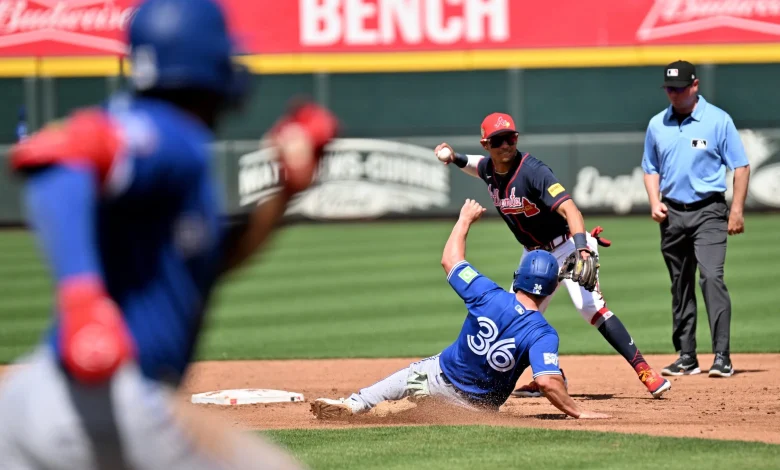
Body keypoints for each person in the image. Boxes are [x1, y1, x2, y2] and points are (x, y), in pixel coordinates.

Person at [0, 0, 339, 468]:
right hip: (109, 403)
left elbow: (211, 260)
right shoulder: (166, 133)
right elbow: (56, 164)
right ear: (203, 65)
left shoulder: (173, 144)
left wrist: (284, 193)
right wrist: (81, 301)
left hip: (40, 400)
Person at [434, 114, 671, 400]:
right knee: (514, 318)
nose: (506, 145)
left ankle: (645, 371)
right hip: (534, 256)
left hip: (567, 246)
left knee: (589, 308)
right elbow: (476, 166)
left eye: (511, 138)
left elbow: (571, 210)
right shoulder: (489, 169)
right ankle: (543, 378)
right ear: (486, 145)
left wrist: (583, 248)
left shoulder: (533, 171)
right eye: (498, 141)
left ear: (517, 139)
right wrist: (453, 157)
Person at [311, 199, 610, 420]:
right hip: (476, 409)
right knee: (425, 407)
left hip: (435, 379)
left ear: (519, 277)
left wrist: (464, 219)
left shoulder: (487, 294)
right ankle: (408, 412)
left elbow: (450, 259)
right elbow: (546, 381)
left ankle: (356, 404)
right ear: (548, 287)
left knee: (410, 377)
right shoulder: (543, 333)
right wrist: (578, 411)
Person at [642, 60, 750, 378]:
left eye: (679, 88)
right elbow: (650, 167)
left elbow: (740, 166)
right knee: (680, 284)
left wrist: (737, 210)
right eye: (669, 89)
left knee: (712, 277)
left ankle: (722, 356)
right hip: (672, 213)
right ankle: (687, 355)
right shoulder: (657, 124)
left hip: (709, 211)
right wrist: (654, 200)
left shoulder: (717, 120)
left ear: (695, 86)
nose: (673, 94)